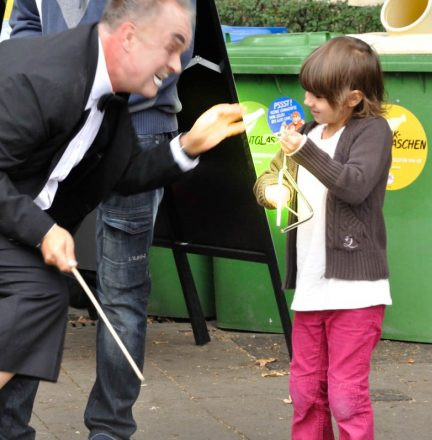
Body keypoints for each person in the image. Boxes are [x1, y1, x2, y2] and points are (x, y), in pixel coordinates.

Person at [0, 1, 244, 439]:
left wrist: (188, 145)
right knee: (37, 294)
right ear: (129, 37)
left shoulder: (107, 98)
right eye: (171, 49)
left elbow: (121, 173)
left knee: (45, 292)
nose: (176, 66)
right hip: (13, 203)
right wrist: (43, 230)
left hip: (18, 206)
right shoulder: (43, 80)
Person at [254, 36, 393, 439]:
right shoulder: (308, 132)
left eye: (319, 95)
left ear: (352, 98)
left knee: (346, 395)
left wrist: (304, 152)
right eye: (307, 91)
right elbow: (267, 178)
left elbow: (354, 184)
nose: (308, 101)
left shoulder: (373, 132)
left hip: (356, 293)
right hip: (312, 289)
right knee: (305, 390)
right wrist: (272, 192)